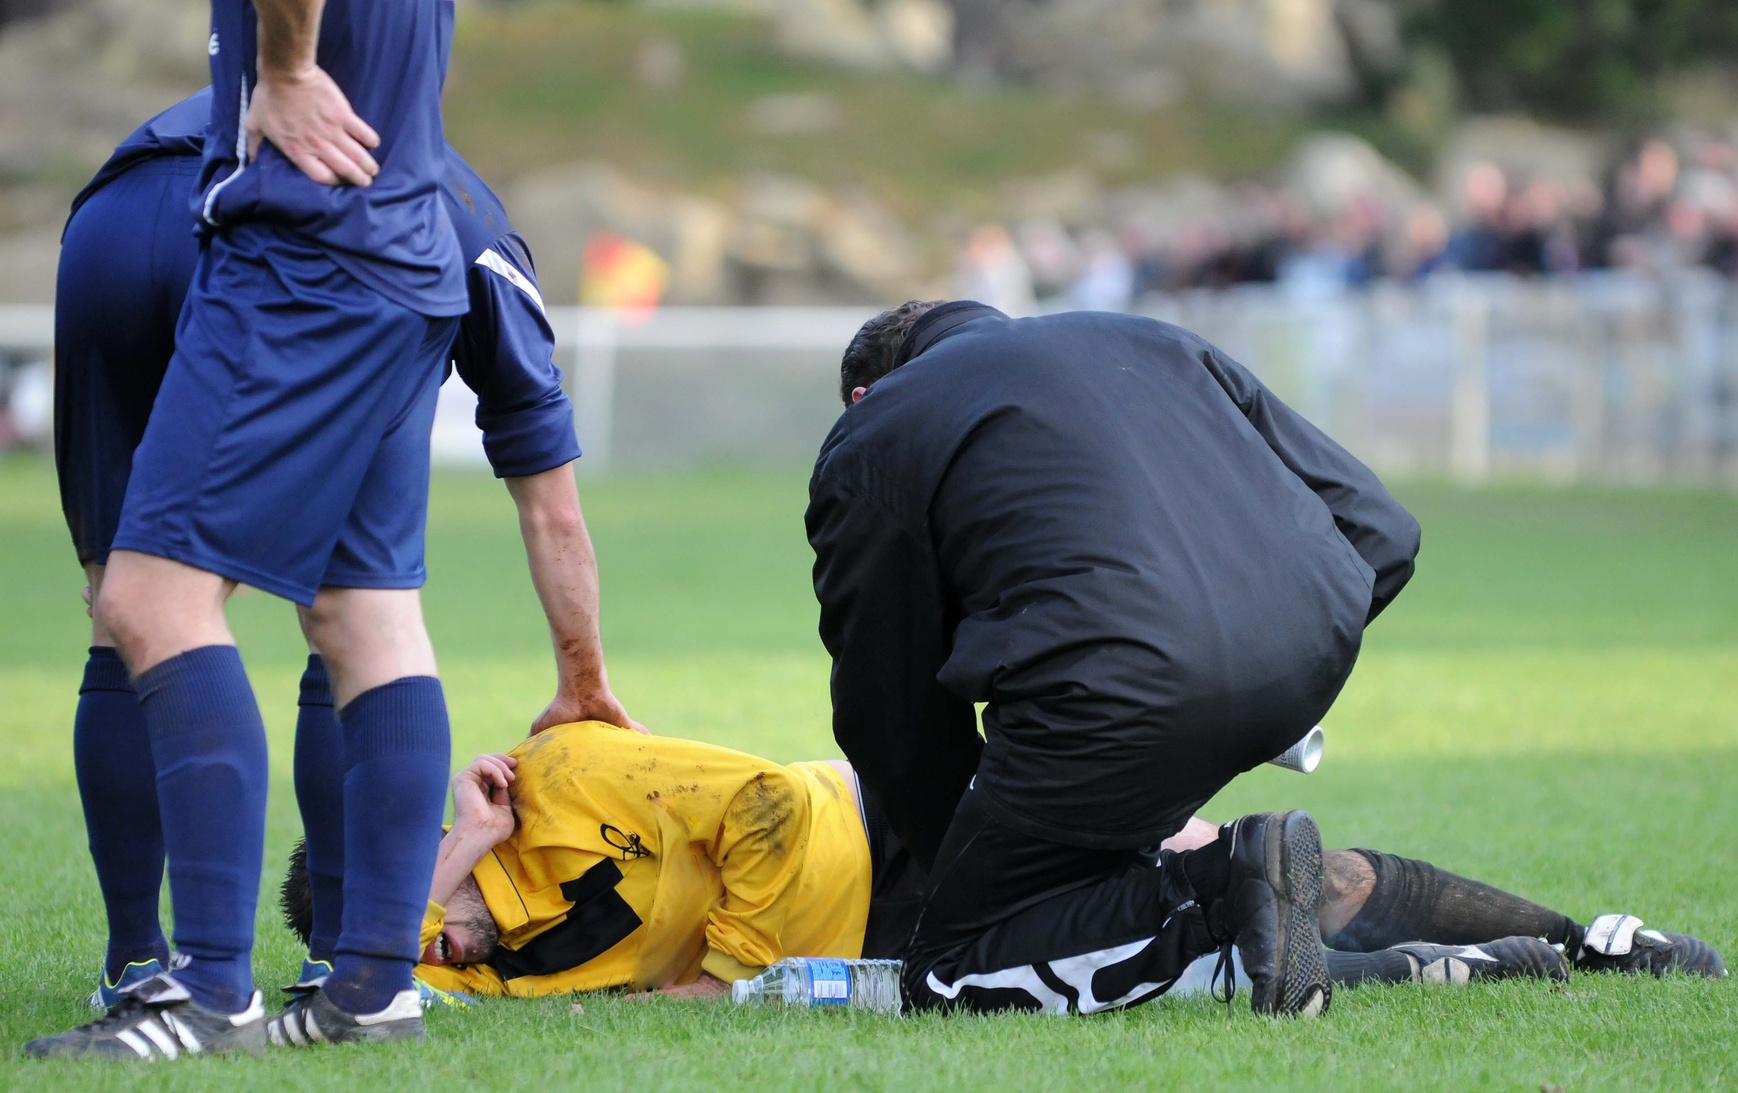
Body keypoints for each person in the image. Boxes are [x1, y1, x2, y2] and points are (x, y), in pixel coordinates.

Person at [38, 83, 640, 1044]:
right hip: (301, 253)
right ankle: (345, 964)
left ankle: (135, 962)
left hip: (107, 228)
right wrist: (583, 676)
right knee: (360, 611)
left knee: (122, 606)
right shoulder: (473, 234)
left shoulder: (287, 85)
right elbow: (551, 504)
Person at [30, 0, 495, 1058]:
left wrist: (283, 67)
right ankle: (374, 986)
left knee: (148, 597)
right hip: (400, 244)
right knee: (364, 612)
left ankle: (207, 993)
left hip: (301, 247)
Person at [806, 300, 1425, 1017]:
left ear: (860, 395)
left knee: (944, 969)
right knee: (1088, 862)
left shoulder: (876, 427)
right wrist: (1282, 653)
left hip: (1113, 695)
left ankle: (1235, 880)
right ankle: (1551, 941)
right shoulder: (1145, 337)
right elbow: (1381, 528)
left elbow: (887, 703)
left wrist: (958, 856)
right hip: (1293, 669)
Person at [277, 724, 1724, 1002]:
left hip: (906, 829)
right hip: (898, 939)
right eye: (415, 949)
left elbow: (776, 807)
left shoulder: (569, 777)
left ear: (433, 851)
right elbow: (356, 999)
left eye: (432, 920)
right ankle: (1504, 965)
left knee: (1273, 879)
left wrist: (725, 979)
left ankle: (1585, 939)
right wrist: (430, 915)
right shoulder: (442, 962)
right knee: (1210, 936)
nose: (442, 950)